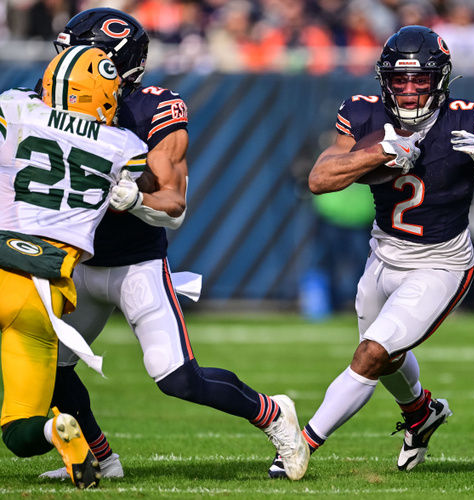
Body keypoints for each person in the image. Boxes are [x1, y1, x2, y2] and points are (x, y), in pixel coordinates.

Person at [38, 8, 309, 481]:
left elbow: (175, 205)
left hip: (135, 263)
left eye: (82, 58)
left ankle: (273, 413)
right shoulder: (36, 105)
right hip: (76, 258)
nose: (65, 66)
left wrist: (133, 196)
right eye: (65, 53)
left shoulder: (151, 109)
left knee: (177, 378)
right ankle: (99, 458)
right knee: (47, 364)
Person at [269, 25, 474, 478]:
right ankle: (421, 413)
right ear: (385, 79)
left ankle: (299, 447)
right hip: (383, 254)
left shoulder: (471, 119)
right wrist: (377, 153)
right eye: (400, 79)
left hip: (441, 261)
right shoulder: (362, 113)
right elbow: (320, 180)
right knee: (384, 355)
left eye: (421, 79)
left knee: (372, 355)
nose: (411, 89)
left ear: (442, 80)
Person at [0, 46, 145, 488]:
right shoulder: (126, 146)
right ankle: (58, 433)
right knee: (20, 431)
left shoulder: (14, 107)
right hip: (44, 296)